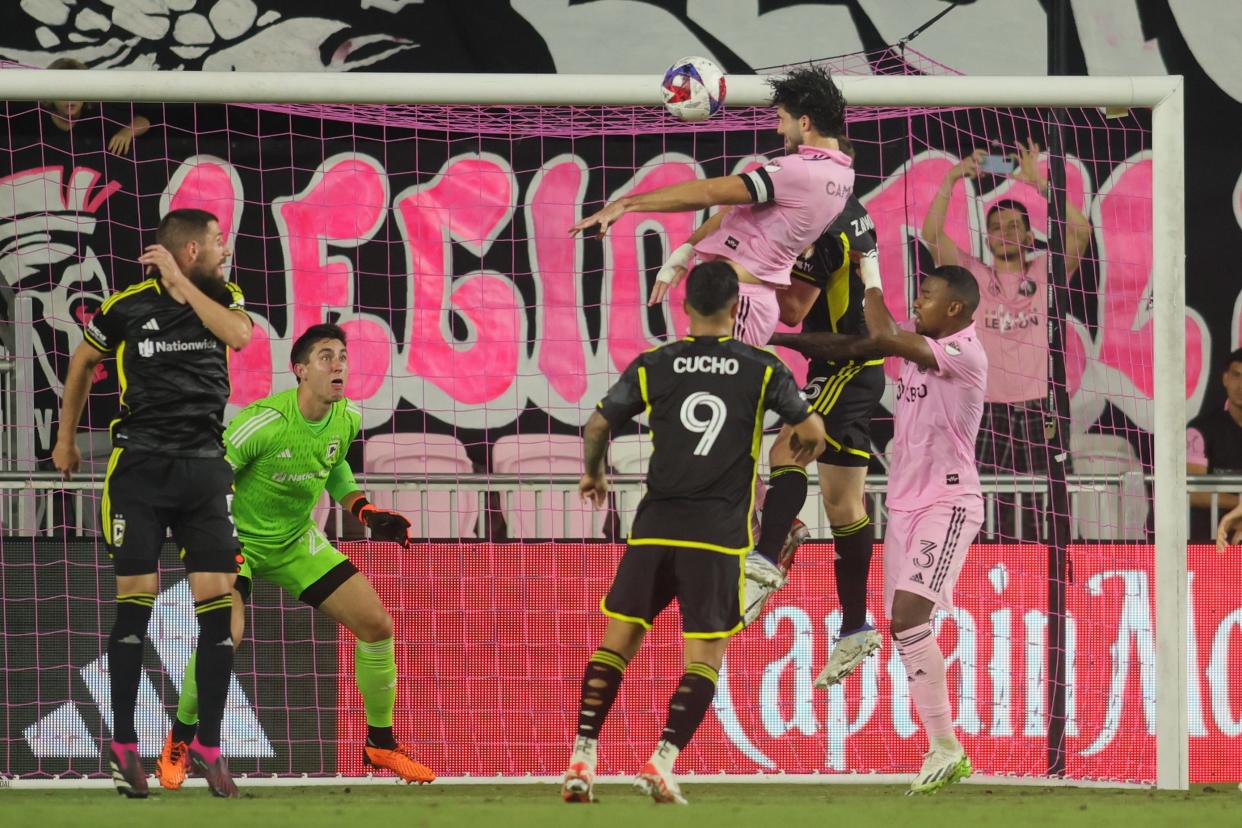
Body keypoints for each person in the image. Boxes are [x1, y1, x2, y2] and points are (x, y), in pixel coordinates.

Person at [571, 63, 853, 619]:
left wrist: (628, 204)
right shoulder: (827, 170)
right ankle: (769, 529)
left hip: (742, 302)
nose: (777, 130)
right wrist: (683, 256)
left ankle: (753, 552)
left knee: (728, 433)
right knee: (722, 429)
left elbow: (710, 190)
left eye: (781, 121)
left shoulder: (800, 172)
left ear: (804, 120)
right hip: (739, 292)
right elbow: (735, 211)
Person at [561, 261, 826, 804]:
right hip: (717, 534)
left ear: (685, 306)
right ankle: (660, 763)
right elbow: (809, 429)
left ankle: (582, 757)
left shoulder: (655, 363)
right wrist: (808, 444)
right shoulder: (764, 367)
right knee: (703, 657)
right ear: (736, 308)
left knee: (619, 642)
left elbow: (596, 424)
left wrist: (595, 472)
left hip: (656, 525)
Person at [155, 323, 436, 789]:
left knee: (377, 625)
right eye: (326, 356)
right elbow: (211, 472)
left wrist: (364, 511)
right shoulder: (266, 420)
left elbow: (335, 466)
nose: (338, 364)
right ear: (301, 370)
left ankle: (380, 743)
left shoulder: (346, 417)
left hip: (292, 542)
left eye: (342, 355)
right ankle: (180, 741)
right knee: (225, 636)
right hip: (236, 541)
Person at [52, 208, 252, 798]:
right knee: (134, 602)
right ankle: (123, 744)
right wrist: (65, 438)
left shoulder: (223, 294)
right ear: (191, 248)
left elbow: (239, 335)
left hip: (203, 471)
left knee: (219, 605)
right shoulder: (122, 308)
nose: (226, 248)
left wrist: (185, 285)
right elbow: (83, 363)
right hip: (138, 469)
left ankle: (208, 746)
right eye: (217, 241)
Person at [774, 264, 986, 794]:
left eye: (928, 295)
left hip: (949, 501)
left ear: (954, 309)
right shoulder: (918, 348)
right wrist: (775, 338)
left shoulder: (963, 353)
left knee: (911, 616)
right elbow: (845, 347)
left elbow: (882, 334)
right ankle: (943, 748)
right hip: (906, 508)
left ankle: (946, 747)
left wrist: (871, 271)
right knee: (904, 627)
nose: (919, 302)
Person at [922, 139, 1091, 540]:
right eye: (996, 227)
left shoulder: (1046, 269)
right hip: (984, 408)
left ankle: (1035, 586)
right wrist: (952, 177)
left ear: (1030, 235)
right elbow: (930, 235)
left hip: (1039, 406)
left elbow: (1081, 233)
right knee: (980, 501)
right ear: (988, 238)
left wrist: (1040, 184)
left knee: (1038, 504)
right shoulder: (974, 276)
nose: (1005, 232)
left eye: (1015, 225)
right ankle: (983, 579)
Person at [760, 183, 885, 685]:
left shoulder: (826, 226)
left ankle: (767, 556)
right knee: (843, 505)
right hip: (857, 367)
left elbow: (791, 310)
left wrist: (750, 273)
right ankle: (855, 626)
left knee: (785, 449)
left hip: (844, 367)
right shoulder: (853, 216)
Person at [1187, 348, 1242, 540]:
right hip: (1210, 542)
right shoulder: (1200, 429)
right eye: (1237, 375)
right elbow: (1194, 492)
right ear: (1225, 378)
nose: (1241, 385)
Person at [44, 57, 151, 155]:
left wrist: (127, 132)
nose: (70, 98)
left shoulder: (97, 114)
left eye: (76, 90)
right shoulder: (36, 119)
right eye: (63, 91)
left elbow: (143, 121)